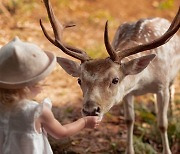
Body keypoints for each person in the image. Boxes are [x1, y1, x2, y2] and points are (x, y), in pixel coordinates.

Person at [0, 37, 101, 154]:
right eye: (42, 81)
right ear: (29, 86)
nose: (44, 84)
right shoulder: (36, 112)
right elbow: (61, 132)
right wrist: (84, 122)